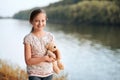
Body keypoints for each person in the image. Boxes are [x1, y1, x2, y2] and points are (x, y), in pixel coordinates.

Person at [23, 9, 63, 80]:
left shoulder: (50, 36)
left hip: (48, 73)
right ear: (31, 21)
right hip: (34, 73)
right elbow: (28, 61)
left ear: (46, 20)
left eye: (43, 21)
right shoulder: (28, 38)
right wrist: (44, 58)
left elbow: (54, 53)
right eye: (37, 21)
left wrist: (55, 60)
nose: (40, 23)